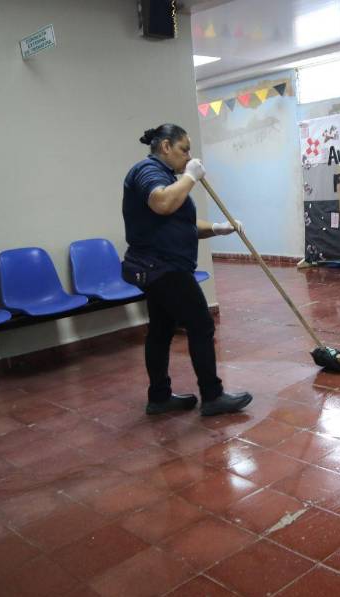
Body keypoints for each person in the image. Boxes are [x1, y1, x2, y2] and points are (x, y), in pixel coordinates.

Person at [122, 123, 253, 417]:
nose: (188, 157)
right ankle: (212, 396)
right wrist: (191, 177)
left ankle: (159, 397)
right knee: (201, 325)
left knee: (161, 329)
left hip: (160, 266)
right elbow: (163, 204)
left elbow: (180, 226)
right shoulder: (148, 171)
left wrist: (219, 229)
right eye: (184, 150)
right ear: (165, 147)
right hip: (162, 268)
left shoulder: (167, 176)